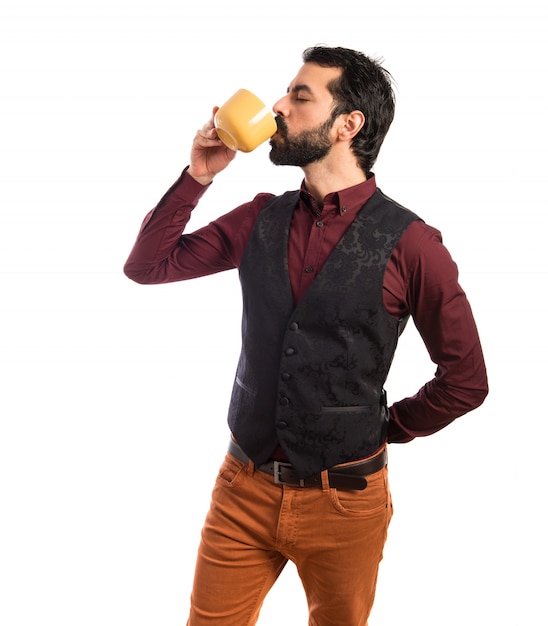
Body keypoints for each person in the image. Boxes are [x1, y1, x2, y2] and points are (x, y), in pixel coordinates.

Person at [124, 45, 488, 625]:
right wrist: (197, 175)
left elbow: (467, 381)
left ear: (348, 124)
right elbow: (148, 266)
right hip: (241, 489)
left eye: (300, 96)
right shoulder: (259, 216)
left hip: (346, 504)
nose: (277, 106)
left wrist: (383, 430)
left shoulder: (413, 244)